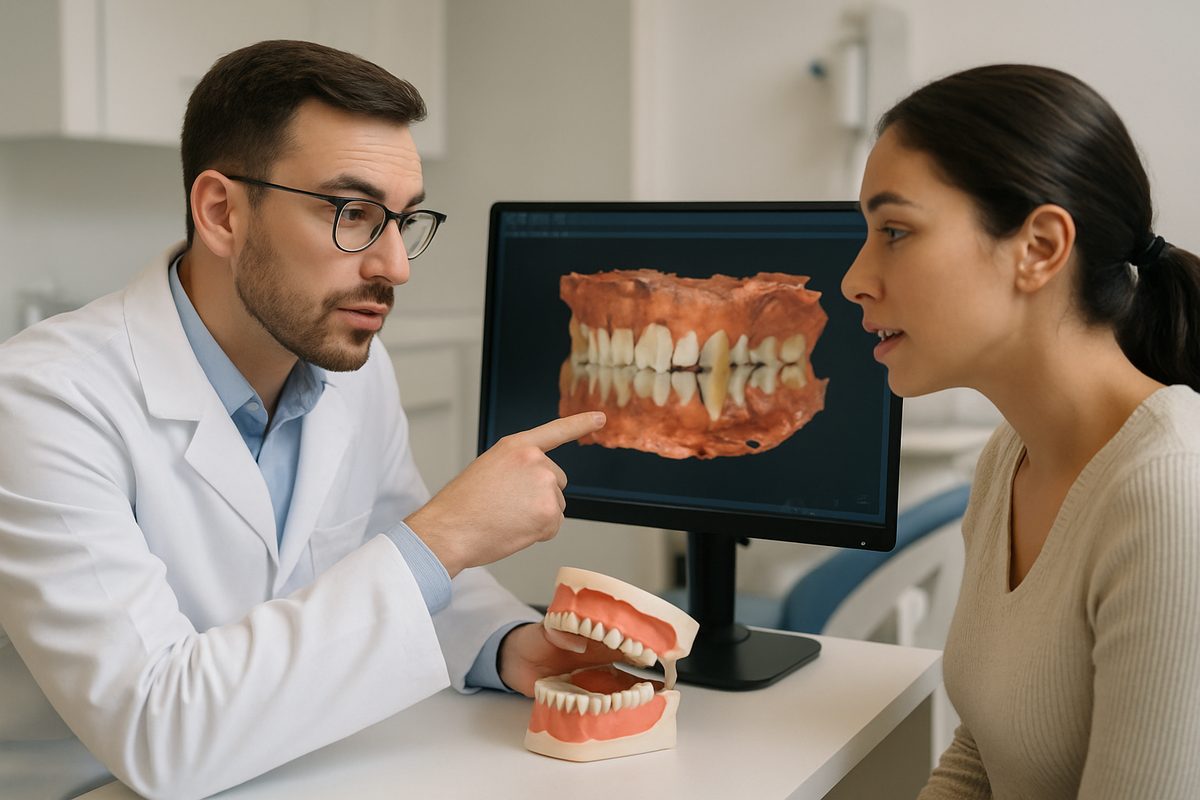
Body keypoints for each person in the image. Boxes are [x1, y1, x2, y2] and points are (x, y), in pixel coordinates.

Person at [0, 40, 613, 800]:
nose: (396, 266)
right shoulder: (41, 401)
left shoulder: (348, 366)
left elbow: (382, 558)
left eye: (404, 220)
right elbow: (158, 729)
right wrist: (448, 532)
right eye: (353, 213)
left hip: (290, 766)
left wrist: (508, 642)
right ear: (222, 212)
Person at [842, 64, 1200, 798]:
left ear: (1038, 247)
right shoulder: (1011, 457)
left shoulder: (1170, 493)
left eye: (896, 232)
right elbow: (989, 752)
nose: (855, 277)